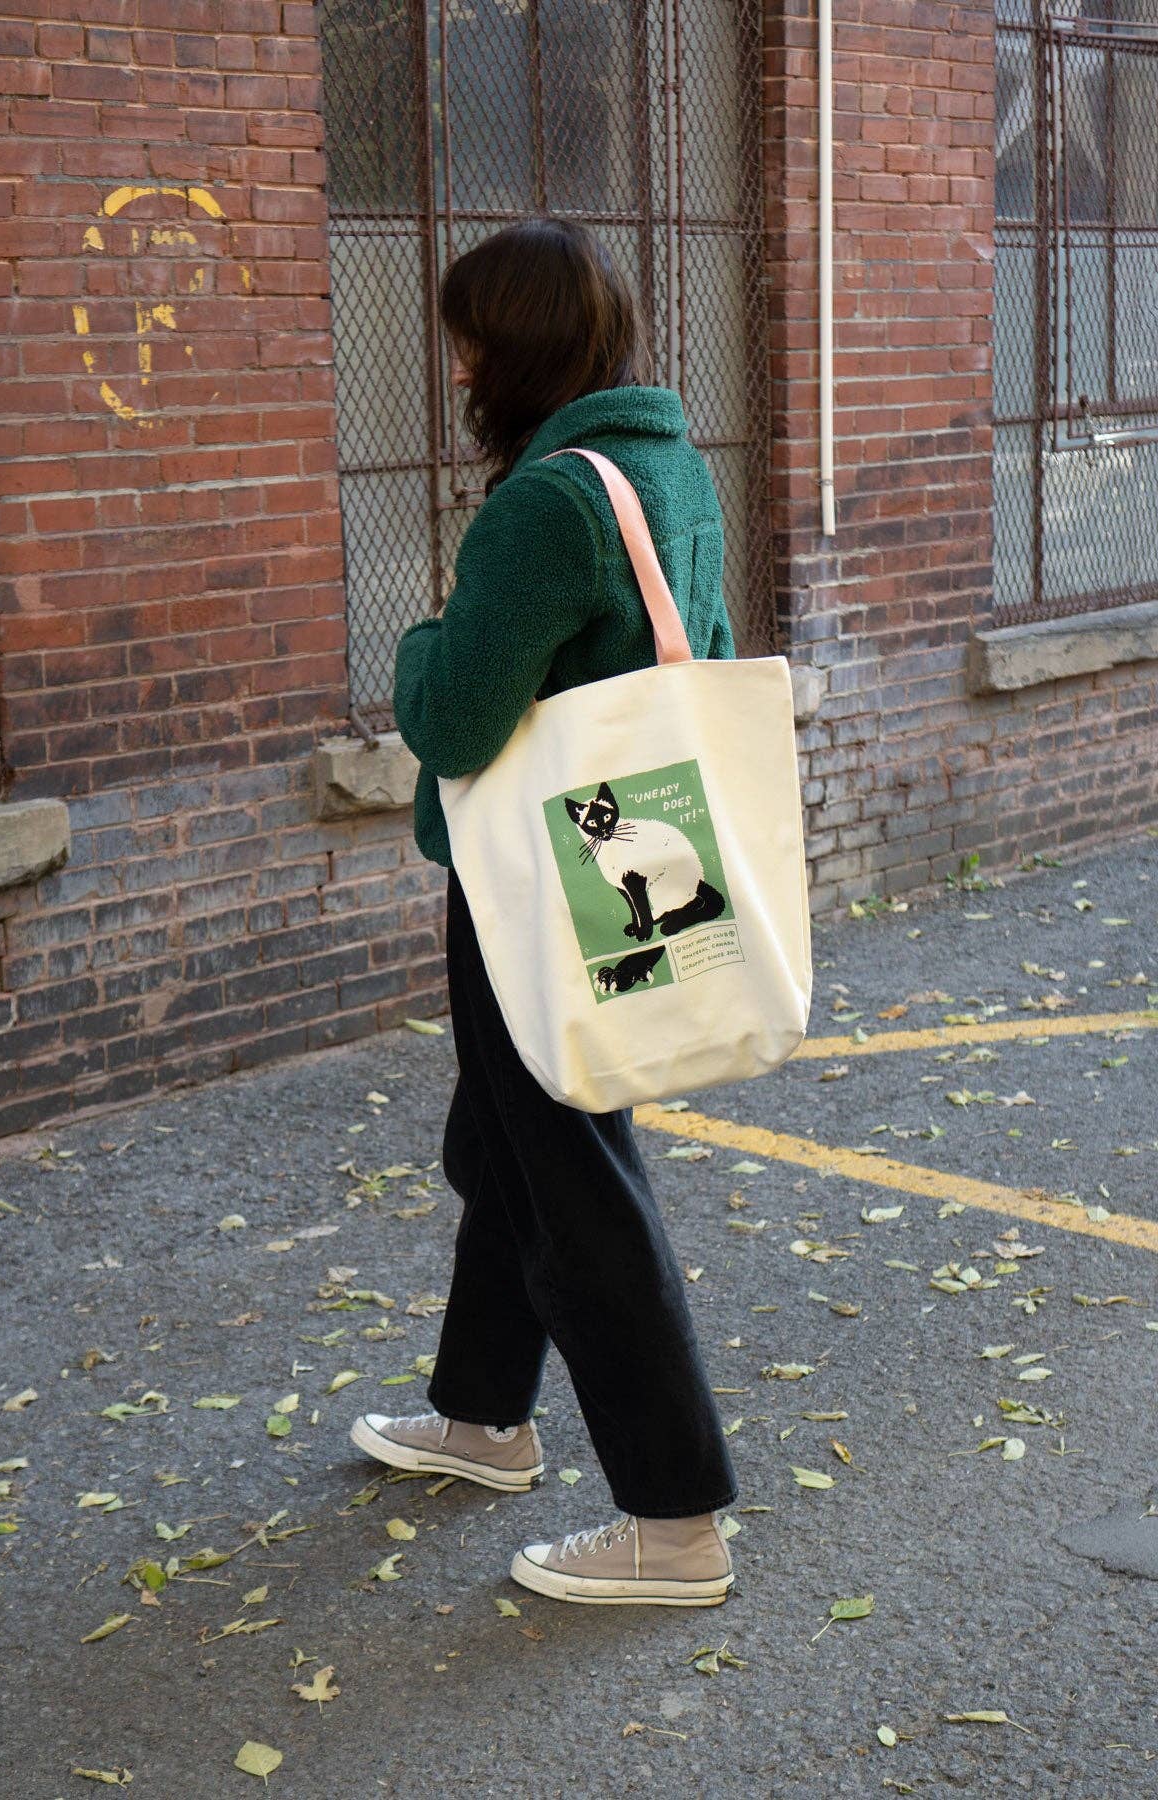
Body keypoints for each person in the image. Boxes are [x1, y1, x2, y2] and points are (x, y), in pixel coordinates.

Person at [350, 217, 738, 1606]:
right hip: (616, 861)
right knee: (508, 1150)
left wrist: (416, 642)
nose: (456, 369)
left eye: (469, 343)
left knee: (573, 1184)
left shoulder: (548, 504)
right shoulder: (668, 465)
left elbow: (456, 716)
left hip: (535, 890)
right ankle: (482, 1416)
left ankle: (676, 1523)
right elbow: (704, 650)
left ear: (513, 351)